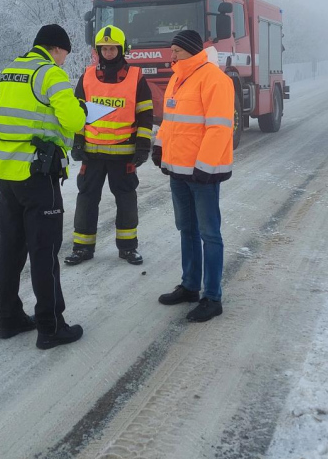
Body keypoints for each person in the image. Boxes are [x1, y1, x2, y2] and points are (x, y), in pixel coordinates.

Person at [0, 24, 87, 349]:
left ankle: (9, 318)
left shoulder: (12, 70)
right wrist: (80, 108)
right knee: (45, 251)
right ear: (57, 49)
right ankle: (50, 326)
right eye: (65, 55)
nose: (64, 62)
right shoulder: (49, 74)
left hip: (7, 174)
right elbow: (74, 122)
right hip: (38, 176)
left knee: (10, 249)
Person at [152, 29, 233, 323]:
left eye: (176, 51)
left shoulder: (214, 79)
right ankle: (189, 286)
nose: (171, 56)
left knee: (209, 233)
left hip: (202, 175)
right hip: (178, 170)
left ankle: (212, 297)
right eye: (171, 50)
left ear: (191, 50)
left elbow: (219, 128)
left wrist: (205, 166)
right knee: (186, 229)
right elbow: (170, 121)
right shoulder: (177, 77)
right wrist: (160, 146)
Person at [65, 25, 154, 266]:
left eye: (113, 47)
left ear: (122, 49)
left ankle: (128, 248)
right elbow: (77, 114)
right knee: (86, 199)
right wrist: (78, 142)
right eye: (104, 48)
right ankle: (82, 248)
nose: (109, 52)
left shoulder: (136, 77)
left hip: (124, 154)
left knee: (126, 200)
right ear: (97, 51)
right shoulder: (87, 76)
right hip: (92, 155)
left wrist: (143, 146)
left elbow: (146, 115)